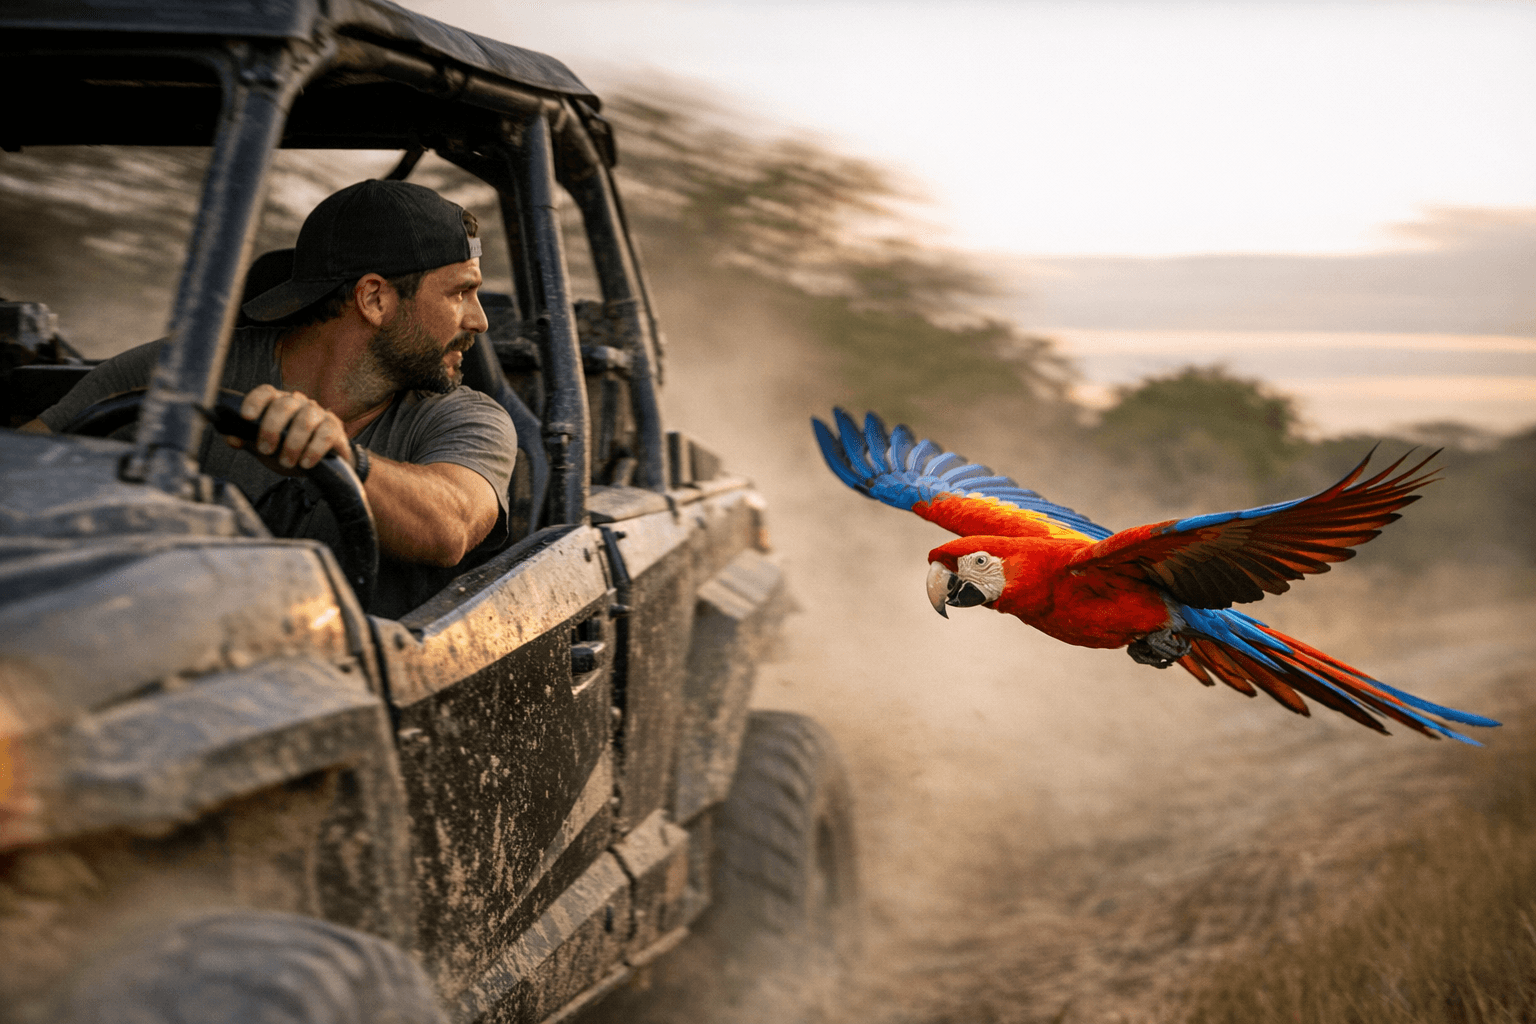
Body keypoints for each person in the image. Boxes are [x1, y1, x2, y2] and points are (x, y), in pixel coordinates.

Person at [26, 179, 518, 618]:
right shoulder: (182, 372)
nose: (480, 320)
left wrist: (339, 458)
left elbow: (450, 526)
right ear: (374, 299)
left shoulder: (469, 418)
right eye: (460, 293)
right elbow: (19, 470)